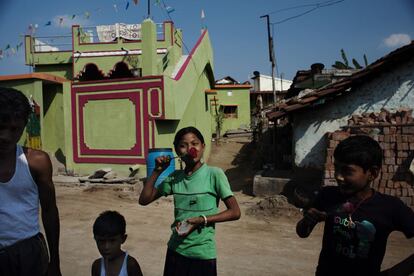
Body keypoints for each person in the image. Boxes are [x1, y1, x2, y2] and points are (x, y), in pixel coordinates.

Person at [296, 135, 414, 276]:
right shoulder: (328, 195)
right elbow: (302, 233)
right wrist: (307, 221)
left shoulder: (389, 207)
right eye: (337, 168)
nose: (338, 176)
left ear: (372, 173)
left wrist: (394, 273)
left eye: (347, 171)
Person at [139, 126, 241, 276]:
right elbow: (144, 200)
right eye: (183, 145)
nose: (190, 149)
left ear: (203, 146)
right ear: (177, 151)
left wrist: (202, 219)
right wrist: (157, 171)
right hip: (175, 250)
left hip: (202, 254)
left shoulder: (214, 174)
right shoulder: (174, 177)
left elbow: (235, 212)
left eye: (195, 143)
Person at [0, 87, 61, 276]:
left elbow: (50, 211)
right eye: (0, 127)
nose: (5, 136)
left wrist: (55, 261)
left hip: (29, 252)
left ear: (24, 126)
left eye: (14, 129)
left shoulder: (37, 162)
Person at [91, 210, 143, 276]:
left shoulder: (130, 265)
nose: (106, 247)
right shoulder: (97, 266)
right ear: (95, 239)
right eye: (102, 241)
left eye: (112, 241)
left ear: (123, 239)